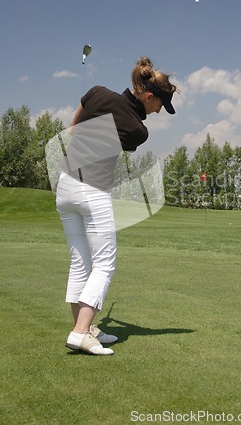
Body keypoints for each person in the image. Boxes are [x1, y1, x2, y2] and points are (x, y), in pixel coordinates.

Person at [56, 56, 177, 355]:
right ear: (149, 96)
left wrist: (75, 130)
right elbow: (118, 130)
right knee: (104, 263)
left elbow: (80, 114)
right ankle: (81, 332)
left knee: (80, 261)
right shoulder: (139, 130)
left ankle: (82, 327)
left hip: (65, 185)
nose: (160, 110)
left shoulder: (97, 91)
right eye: (161, 104)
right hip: (91, 191)